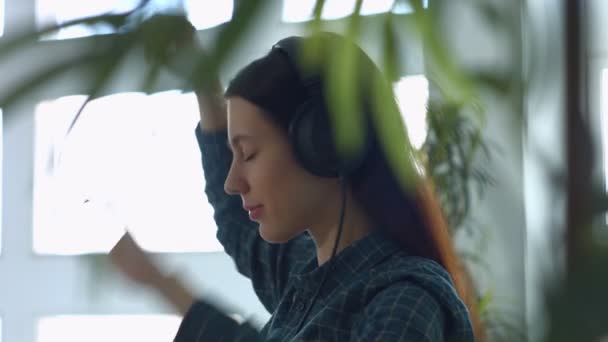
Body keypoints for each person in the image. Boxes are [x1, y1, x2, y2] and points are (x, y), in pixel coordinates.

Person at [110, 15, 480, 341]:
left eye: (249, 154)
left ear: (323, 143)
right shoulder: (314, 278)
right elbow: (237, 222)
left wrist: (163, 284)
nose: (232, 181)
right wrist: (204, 83)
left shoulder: (403, 302)